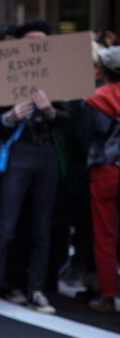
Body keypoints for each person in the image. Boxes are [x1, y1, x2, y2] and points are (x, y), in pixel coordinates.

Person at [0, 20, 69, 317]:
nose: (35, 47)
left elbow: (73, 119)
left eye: (40, 41)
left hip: (47, 153)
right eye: (30, 41)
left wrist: (52, 112)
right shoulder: (5, 74)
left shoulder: (61, 75)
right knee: (6, 224)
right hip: (19, 153)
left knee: (42, 225)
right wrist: (10, 117)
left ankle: (35, 290)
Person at [83, 46, 120, 313]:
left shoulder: (95, 100)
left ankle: (107, 294)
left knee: (105, 234)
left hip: (105, 170)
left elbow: (87, 136)